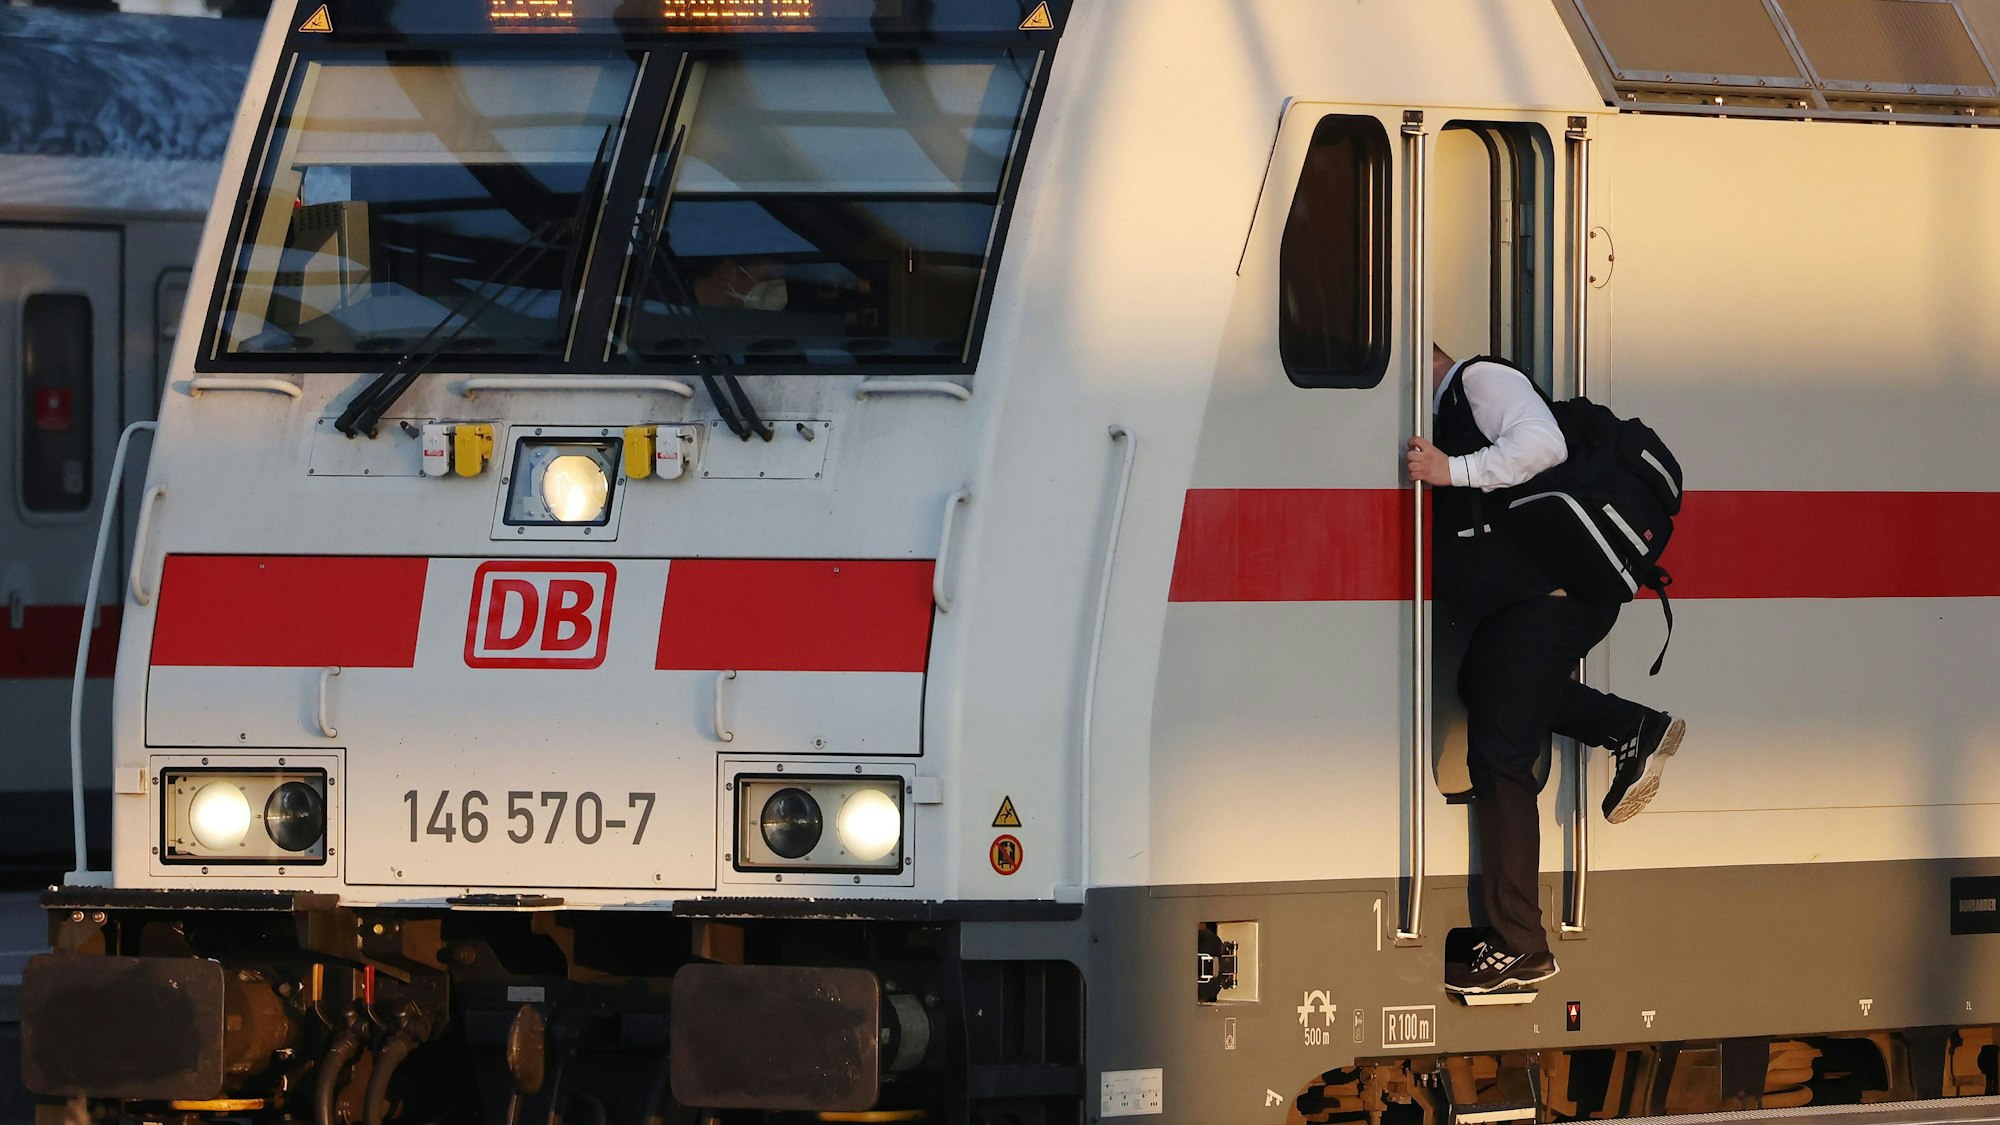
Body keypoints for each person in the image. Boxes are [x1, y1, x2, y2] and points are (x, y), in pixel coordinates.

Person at [1407, 346, 1686, 995]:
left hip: (1556, 598)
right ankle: (1633, 728)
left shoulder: (1478, 380)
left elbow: (1542, 445)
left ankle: (1519, 945)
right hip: (1540, 597)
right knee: (1483, 683)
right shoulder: (1459, 399)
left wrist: (1452, 470)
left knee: (1501, 750)